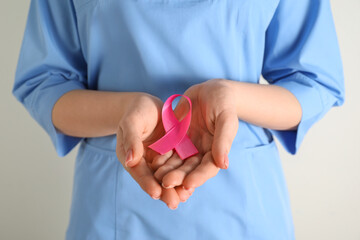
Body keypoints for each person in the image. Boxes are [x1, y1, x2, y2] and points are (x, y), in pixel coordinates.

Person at [13, 0, 345, 239]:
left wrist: (230, 98)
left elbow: (312, 83)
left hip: (242, 206)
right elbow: (45, 83)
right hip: (116, 203)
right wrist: (125, 110)